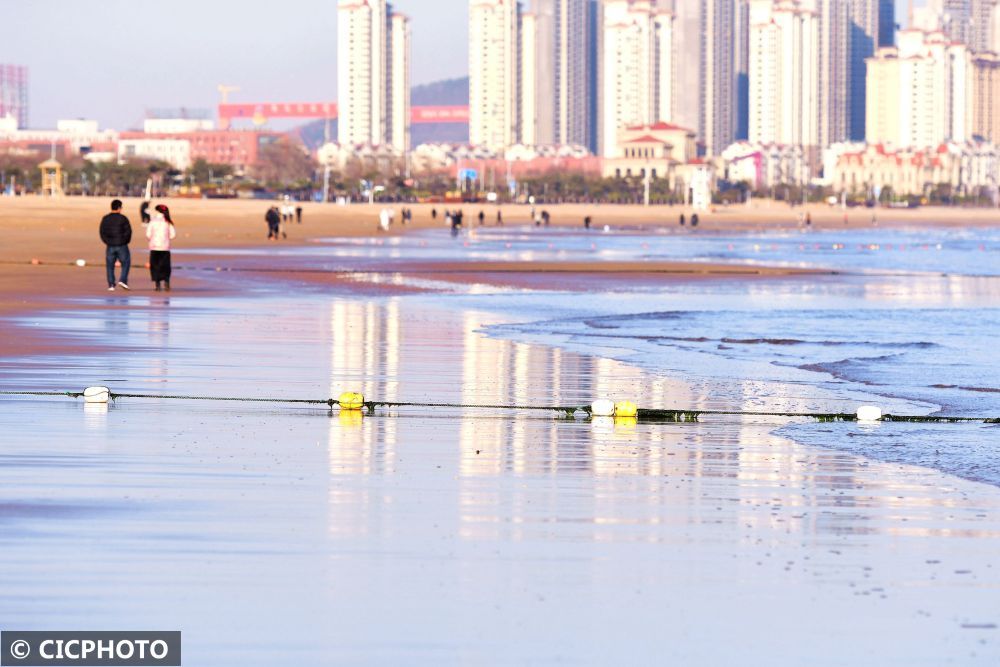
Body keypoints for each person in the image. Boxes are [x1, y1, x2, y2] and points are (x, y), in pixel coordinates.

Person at [100, 199, 132, 291]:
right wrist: (125, 241)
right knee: (126, 263)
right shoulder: (123, 218)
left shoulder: (106, 218)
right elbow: (128, 232)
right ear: (118, 208)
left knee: (110, 265)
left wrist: (107, 241)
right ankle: (123, 280)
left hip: (110, 245)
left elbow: (102, 232)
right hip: (121, 245)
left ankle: (111, 284)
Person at [147, 204, 177, 292]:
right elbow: (173, 235)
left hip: (154, 247)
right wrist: (166, 238)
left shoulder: (153, 221)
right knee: (166, 266)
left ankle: (157, 284)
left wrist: (152, 239)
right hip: (165, 247)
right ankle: (166, 282)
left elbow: (148, 234)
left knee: (155, 266)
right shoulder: (167, 221)